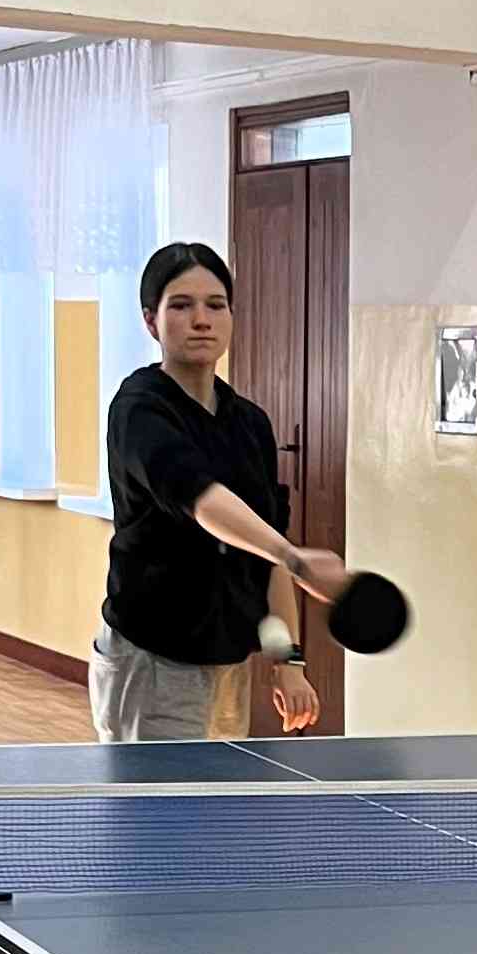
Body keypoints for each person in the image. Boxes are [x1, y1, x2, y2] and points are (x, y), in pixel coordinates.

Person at [91, 242, 337, 742]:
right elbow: (204, 502)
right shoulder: (140, 409)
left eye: (216, 305)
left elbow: (265, 554)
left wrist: (288, 659)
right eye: (181, 305)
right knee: (163, 798)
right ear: (151, 321)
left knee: (218, 792)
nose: (201, 320)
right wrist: (293, 557)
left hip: (229, 665)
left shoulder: (250, 424)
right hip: (154, 663)